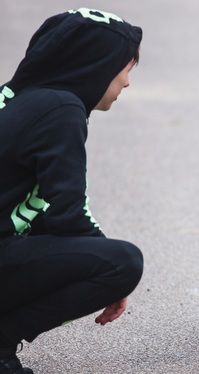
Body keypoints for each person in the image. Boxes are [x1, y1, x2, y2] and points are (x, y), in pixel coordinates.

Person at [0, 9, 144, 373]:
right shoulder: (60, 109)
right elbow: (68, 214)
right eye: (125, 68)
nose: (126, 82)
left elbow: (47, 210)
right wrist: (115, 280)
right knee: (124, 262)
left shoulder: (17, 99)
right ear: (94, 67)